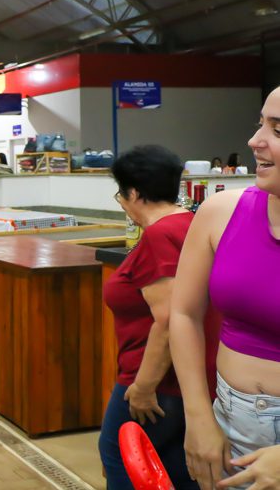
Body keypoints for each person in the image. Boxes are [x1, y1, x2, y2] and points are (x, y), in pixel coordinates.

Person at [170, 86, 280, 490]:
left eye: (279, 129)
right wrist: (198, 416)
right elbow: (182, 314)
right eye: (261, 123)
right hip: (231, 423)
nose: (255, 141)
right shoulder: (222, 212)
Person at [99, 144, 219, 490]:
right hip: (188, 383)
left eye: (121, 194)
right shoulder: (191, 224)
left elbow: (167, 321)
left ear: (134, 193)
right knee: (176, 472)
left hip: (156, 386)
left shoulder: (160, 236)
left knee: (123, 462)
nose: (122, 202)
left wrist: (142, 387)